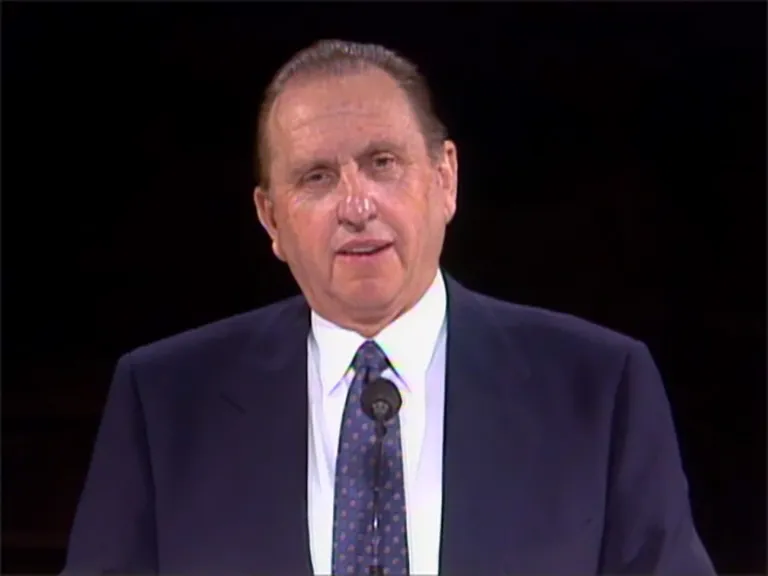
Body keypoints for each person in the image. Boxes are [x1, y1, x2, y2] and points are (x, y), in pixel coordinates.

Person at [63, 39, 716, 575]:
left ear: (445, 179)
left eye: (382, 163)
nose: (356, 205)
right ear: (271, 219)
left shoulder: (599, 388)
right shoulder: (165, 401)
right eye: (317, 177)